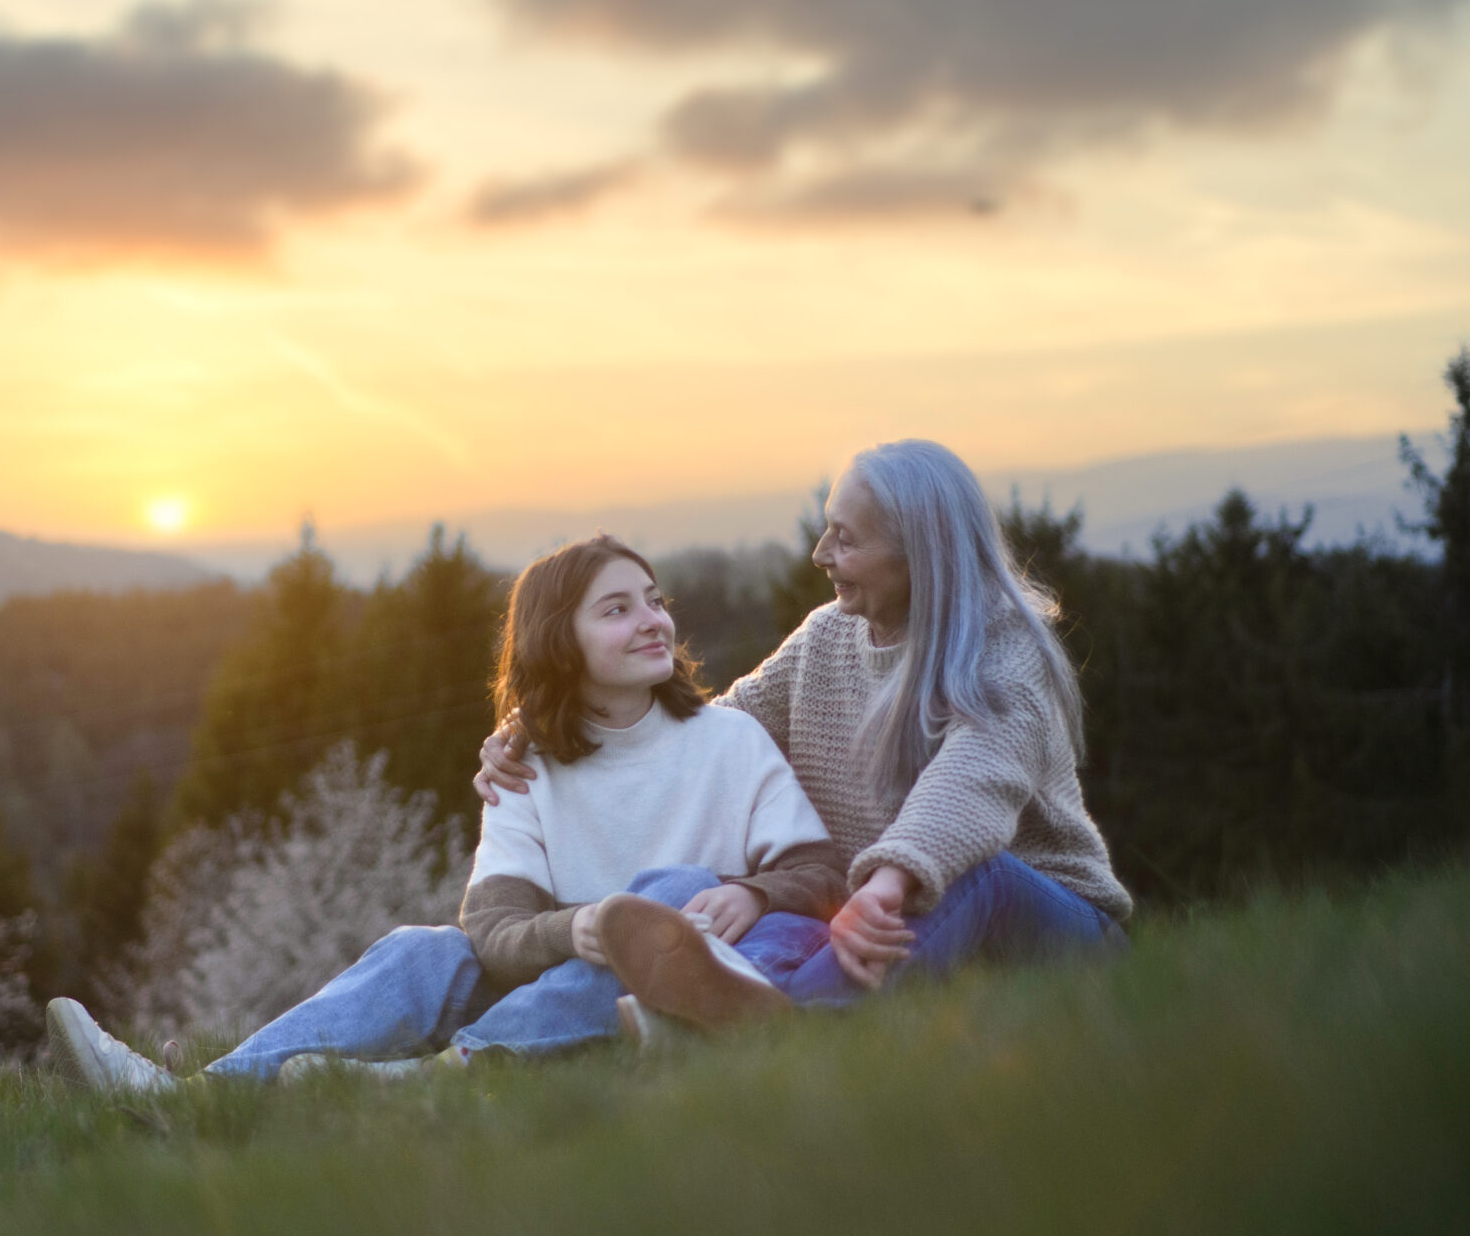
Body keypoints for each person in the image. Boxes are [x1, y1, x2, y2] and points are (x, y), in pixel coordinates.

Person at [45, 534, 848, 1093]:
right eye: (616, 609)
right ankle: (198, 1094)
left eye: (654, 599)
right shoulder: (525, 766)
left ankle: (437, 1081)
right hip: (547, 977)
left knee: (664, 897)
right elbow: (491, 932)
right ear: (557, 643)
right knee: (425, 950)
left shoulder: (729, 740)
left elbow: (819, 872)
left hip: (668, 993)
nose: (652, 620)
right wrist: (583, 928)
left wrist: (751, 893)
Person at [480, 439, 1131, 1025]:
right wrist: (536, 725)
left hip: (1049, 921)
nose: (821, 554)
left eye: (844, 539)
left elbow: (972, 780)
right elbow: (713, 734)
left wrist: (888, 879)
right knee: (775, 916)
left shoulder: (1008, 647)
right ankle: (700, 1014)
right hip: (878, 914)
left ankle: (790, 1025)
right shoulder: (827, 636)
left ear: (917, 553)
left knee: (976, 874)